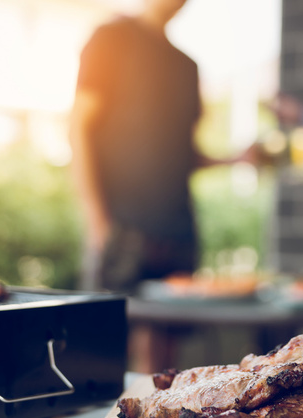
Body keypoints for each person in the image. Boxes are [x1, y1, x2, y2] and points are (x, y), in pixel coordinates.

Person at [70, 0, 201, 294]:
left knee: (167, 336)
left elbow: (184, 154)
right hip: (123, 229)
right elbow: (79, 128)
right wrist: (98, 223)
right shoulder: (110, 38)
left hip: (179, 232)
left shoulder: (188, 66)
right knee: (112, 332)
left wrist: (236, 159)